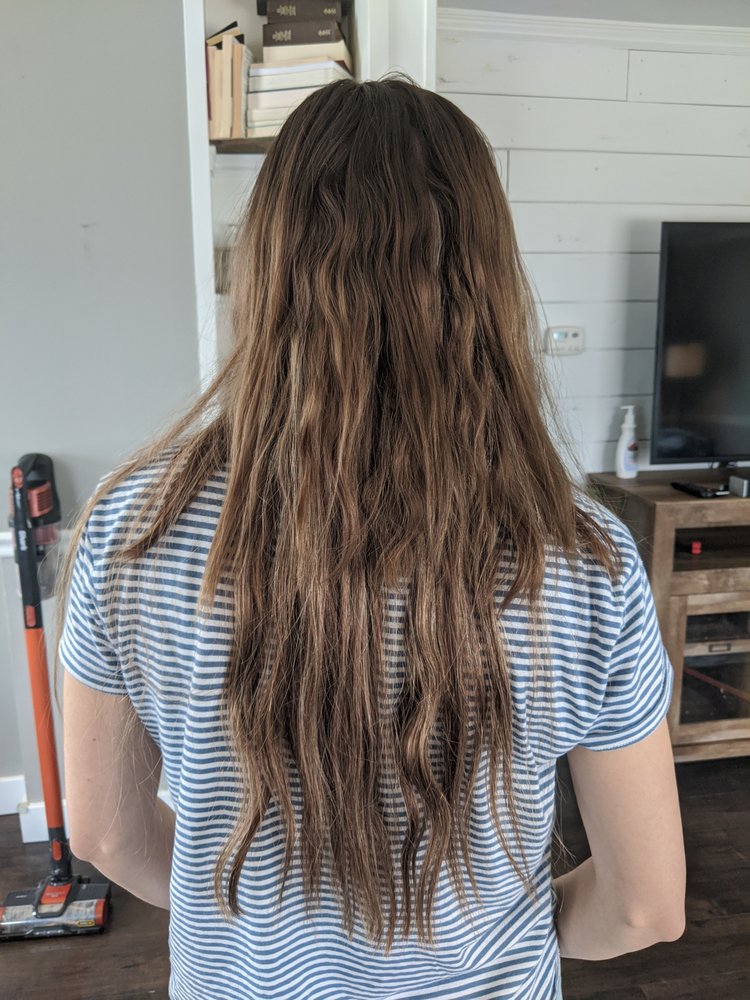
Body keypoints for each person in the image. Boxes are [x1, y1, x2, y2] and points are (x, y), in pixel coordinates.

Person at [56, 75, 686, 1000]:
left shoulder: (132, 529)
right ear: (487, 283)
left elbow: (108, 835)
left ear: (266, 271)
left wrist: (237, 929)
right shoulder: (583, 560)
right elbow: (644, 909)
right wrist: (500, 934)